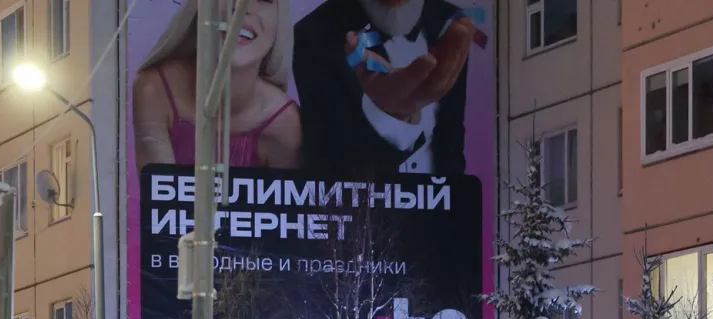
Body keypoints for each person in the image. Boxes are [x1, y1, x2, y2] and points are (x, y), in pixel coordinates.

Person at [292, 0, 486, 176]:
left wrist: (456, 206)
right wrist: (389, 118)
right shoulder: (312, 35)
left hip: (439, 207)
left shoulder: (451, 23)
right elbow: (329, 160)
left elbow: (451, 142)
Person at [133, 0, 302, 168]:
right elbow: (157, 192)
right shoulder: (155, 90)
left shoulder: (285, 122)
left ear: (280, 21)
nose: (239, 7)